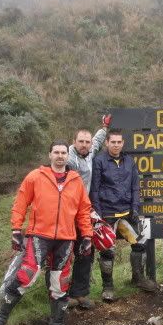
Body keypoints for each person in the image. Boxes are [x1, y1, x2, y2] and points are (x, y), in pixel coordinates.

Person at [0, 140, 93, 325]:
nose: (60, 156)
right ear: (49, 155)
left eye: (63, 153)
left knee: (60, 284)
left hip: (66, 238)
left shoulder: (75, 180)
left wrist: (87, 235)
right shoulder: (36, 176)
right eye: (56, 152)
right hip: (39, 236)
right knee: (25, 276)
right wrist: (16, 229)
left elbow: (83, 210)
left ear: (67, 156)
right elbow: (20, 203)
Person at [90, 128, 158, 300]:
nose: (116, 145)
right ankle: (108, 287)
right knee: (107, 251)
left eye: (119, 142)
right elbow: (95, 189)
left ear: (123, 143)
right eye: (113, 142)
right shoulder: (99, 161)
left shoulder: (129, 161)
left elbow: (135, 186)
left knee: (140, 243)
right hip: (107, 214)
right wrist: (98, 214)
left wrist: (135, 208)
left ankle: (138, 278)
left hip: (127, 213)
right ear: (107, 143)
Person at [67, 115, 110, 309]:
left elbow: (99, 140)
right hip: (66, 213)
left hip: (85, 212)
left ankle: (80, 294)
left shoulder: (90, 151)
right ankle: (61, 295)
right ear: (73, 142)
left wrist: (104, 127)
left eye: (87, 141)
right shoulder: (67, 159)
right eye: (80, 141)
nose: (84, 145)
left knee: (86, 251)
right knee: (64, 253)